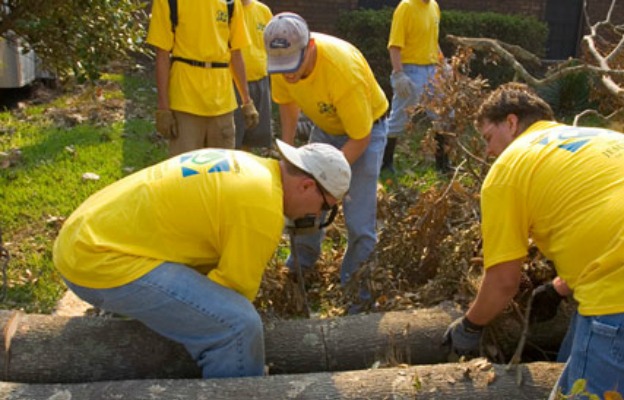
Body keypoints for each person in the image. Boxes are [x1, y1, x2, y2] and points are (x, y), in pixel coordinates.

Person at [442, 82, 624, 399]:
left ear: (511, 122)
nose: (488, 151)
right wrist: (558, 288)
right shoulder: (602, 137)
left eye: (488, 138)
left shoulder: (508, 169)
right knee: (580, 337)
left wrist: (470, 325)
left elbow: (503, 282)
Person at [53, 140, 351, 378]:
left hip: (83, 235)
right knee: (238, 328)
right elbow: (234, 294)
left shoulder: (249, 165)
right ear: (306, 186)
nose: (317, 216)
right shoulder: (262, 209)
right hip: (96, 259)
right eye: (325, 207)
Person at [263, 12, 389, 304]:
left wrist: (325, 178)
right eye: (282, 67)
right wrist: (289, 153)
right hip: (326, 126)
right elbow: (288, 104)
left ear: (309, 48)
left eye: (293, 65)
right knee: (305, 201)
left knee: (358, 219)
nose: (288, 74)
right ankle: (300, 269)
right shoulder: (282, 63)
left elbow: (361, 137)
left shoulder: (342, 71)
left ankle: (358, 292)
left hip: (365, 131)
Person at [147, 0, 259, 156]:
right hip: (186, 101)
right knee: (185, 172)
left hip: (223, 103)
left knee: (221, 172)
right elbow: (162, 54)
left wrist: (247, 101)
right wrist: (163, 108)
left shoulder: (231, 3)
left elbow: (236, 53)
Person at [382, 0, 448, 173]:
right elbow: (394, 45)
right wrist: (398, 74)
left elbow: (433, 41)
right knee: (399, 118)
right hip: (411, 70)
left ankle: (443, 165)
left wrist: (443, 64)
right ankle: (384, 163)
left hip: (433, 69)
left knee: (443, 115)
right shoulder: (406, 7)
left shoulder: (434, 6)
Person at [233, 0, 273, 151]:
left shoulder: (264, 11)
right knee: (234, 135)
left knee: (254, 135)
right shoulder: (227, 7)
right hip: (233, 82)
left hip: (260, 81)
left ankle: (246, 169)